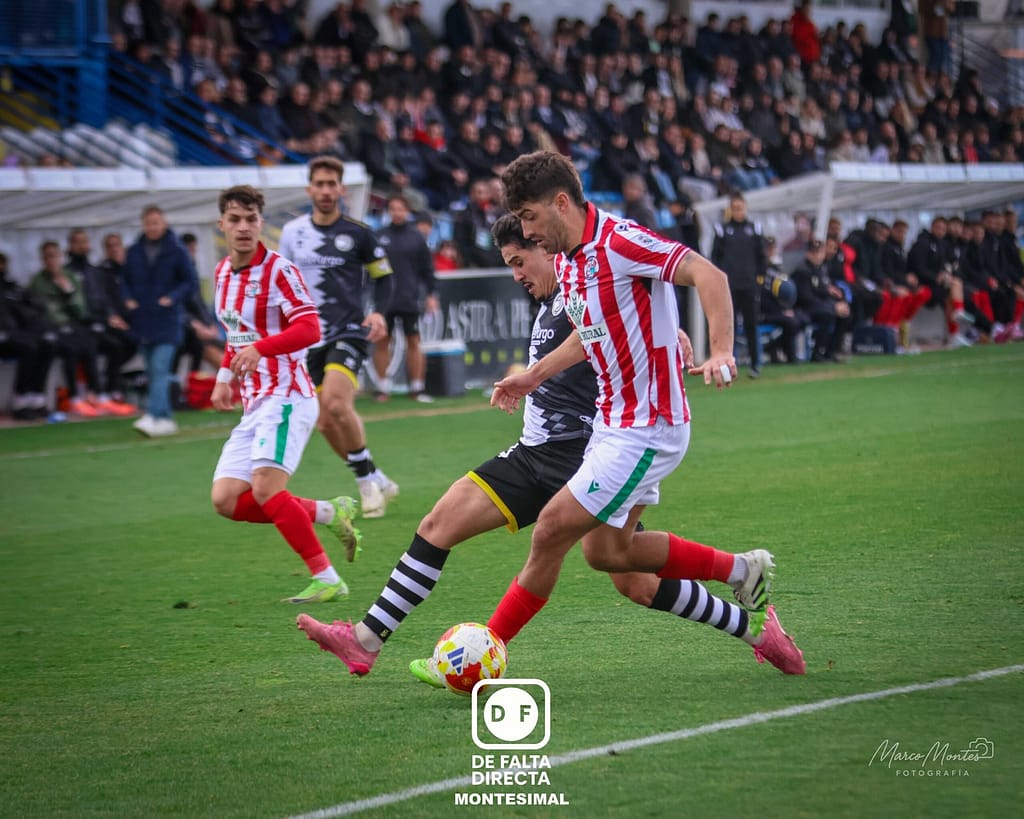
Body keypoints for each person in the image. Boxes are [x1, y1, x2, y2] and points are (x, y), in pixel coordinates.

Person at [296, 214, 803, 679]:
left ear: (546, 246)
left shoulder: (597, 274)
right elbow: (595, 334)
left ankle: (485, 652)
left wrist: (689, 344)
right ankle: (365, 640)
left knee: (622, 571)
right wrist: (530, 377)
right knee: (441, 526)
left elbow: (641, 314)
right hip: (535, 450)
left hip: (587, 451)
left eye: (521, 259)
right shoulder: (562, 292)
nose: (517, 272)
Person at [209, 184, 361, 604]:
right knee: (224, 500)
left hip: (288, 395)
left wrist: (262, 348)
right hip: (254, 402)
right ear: (221, 224)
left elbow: (310, 329)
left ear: (261, 224)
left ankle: (327, 578)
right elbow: (236, 333)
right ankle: (328, 511)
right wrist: (225, 375)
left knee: (265, 490)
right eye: (235, 219)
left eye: (251, 219)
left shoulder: (279, 271)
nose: (243, 227)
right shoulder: (223, 273)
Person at [277, 156, 400, 518]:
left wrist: (378, 312)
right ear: (309, 189)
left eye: (333, 184)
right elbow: (281, 283)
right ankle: (376, 475)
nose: (327, 191)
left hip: (347, 330)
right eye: (321, 184)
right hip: (304, 337)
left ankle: (364, 484)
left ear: (342, 189)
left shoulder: (359, 233)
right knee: (325, 421)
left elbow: (385, 278)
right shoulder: (292, 234)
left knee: (334, 402)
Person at [121, 205, 198, 436]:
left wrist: (171, 298)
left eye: (156, 222)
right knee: (153, 371)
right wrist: (128, 299)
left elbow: (190, 282)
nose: (152, 227)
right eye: (148, 223)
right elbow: (124, 280)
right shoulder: (134, 251)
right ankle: (165, 418)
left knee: (160, 367)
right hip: (143, 319)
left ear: (163, 223)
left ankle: (153, 415)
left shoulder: (177, 250)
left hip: (167, 319)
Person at [371, 193, 440, 403]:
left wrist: (431, 294)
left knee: (413, 341)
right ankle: (383, 388)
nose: (397, 213)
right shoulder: (379, 235)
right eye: (393, 209)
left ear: (407, 211)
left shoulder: (416, 236)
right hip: (385, 299)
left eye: (400, 209)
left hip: (409, 297)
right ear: (388, 211)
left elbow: (427, 269)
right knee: (383, 341)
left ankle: (417, 388)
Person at [29, 241, 106, 417]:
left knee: (90, 344)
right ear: (43, 259)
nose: (52, 260)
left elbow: (80, 309)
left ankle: (97, 394)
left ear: (60, 256)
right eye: (48, 256)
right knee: (70, 349)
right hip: (52, 328)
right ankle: (73, 398)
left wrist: (68, 291)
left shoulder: (70, 277)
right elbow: (40, 311)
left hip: (72, 325)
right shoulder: (38, 282)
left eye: (55, 255)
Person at [66, 229, 137, 415]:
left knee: (124, 342)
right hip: (81, 325)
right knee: (88, 346)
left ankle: (108, 391)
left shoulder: (94, 271)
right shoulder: (69, 272)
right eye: (78, 242)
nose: (82, 246)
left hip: (100, 321)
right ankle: (90, 395)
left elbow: (104, 299)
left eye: (84, 241)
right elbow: (78, 304)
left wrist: (111, 316)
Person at [711, 192, 767, 378]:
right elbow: (715, 259)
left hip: (749, 286)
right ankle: (728, 366)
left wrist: (759, 281)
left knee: (752, 325)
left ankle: (755, 364)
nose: (738, 212)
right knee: (729, 327)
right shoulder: (722, 230)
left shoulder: (755, 229)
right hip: (729, 287)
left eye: (740, 208)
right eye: (734, 208)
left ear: (745, 208)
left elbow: (762, 259)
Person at [1, 253, 55, 420]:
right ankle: (20, 400)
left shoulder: (12, 288)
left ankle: (37, 398)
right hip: (4, 335)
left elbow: (31, 310)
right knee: (29, 348)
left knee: (47, 344)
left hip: (16, 333)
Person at [790, 239, 850, 362]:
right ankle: (818, 352)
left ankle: (831, 351)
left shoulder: (822, 269)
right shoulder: (802, 271)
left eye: (820, 252)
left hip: (821, 306)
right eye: (814, 253)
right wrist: (833, 307)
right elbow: (806, 298)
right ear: (808, 254)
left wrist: (839, 301)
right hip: (806, 308)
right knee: (828, 315)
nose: (817, 256)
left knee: (845, 315)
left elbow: (826, 290)